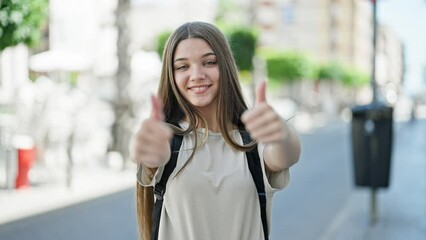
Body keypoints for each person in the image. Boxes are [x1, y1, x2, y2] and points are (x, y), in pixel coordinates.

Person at [133, 21, 301, 240]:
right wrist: (145, 151)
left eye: (209, 62)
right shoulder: (166, 141)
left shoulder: (251, 143)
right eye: (182, 66)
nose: (197, 74)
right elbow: (145, 156)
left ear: (226, 66)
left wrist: (281, 132)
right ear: (171, 76)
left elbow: (288, 154)